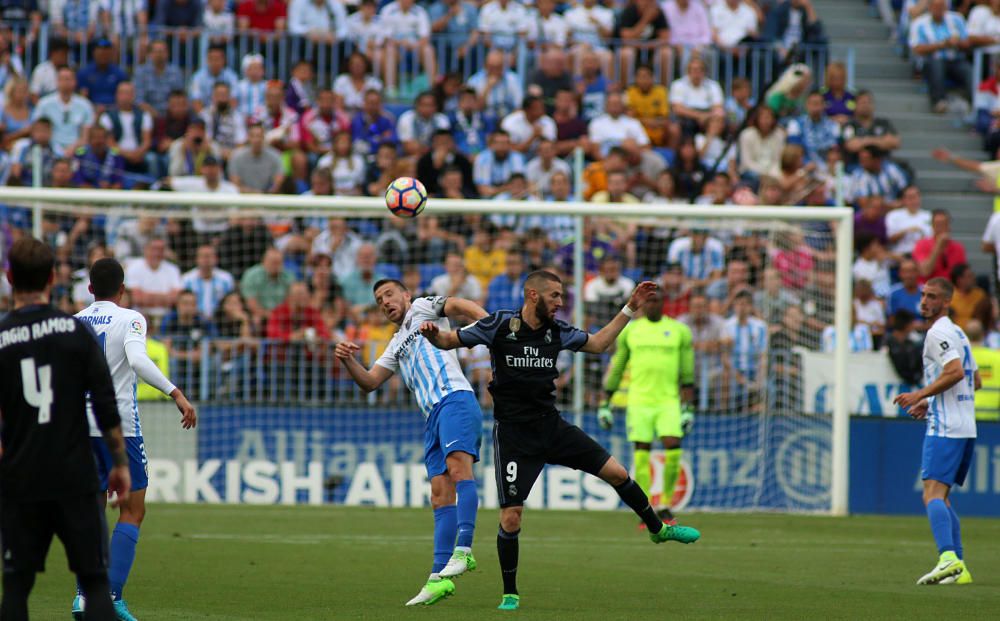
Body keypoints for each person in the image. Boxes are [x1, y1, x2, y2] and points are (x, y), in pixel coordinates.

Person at [420, 272, 700, 611]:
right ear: (533, 295)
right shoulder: (499, 325)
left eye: (561, 296)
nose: (560, 302)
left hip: (552, 427)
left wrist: (630, 308)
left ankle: (658, 528)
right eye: (555, 296)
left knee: (617, 472)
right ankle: (510, 593)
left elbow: (598, 344)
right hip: (513, 436)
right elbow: (451, 341)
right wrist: (435, 336)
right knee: (511, 517)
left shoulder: (558, 330)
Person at [334, 280, 489, 606]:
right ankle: (437, 579)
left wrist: (488, 325)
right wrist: (348, 361)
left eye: (389, 294)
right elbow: (370, 382)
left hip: (454, 400)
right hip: (432, 416)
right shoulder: (394, 343)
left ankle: (465, 550)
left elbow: (458, 305)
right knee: (439, 494)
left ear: (405, 294)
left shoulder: (421, 307)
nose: (385, 302)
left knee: (459, 471)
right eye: (379, 300)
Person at [0, 238, 127, 621]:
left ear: (9, 277)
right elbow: (105, 403)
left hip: (22, 478)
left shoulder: (2, 339)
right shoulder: (75, 332)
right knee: (95, 584)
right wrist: (118, 462)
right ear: (53, 279)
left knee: (17, 587)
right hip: (75, 474)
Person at [71, 257, 197, 621]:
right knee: (132, 510)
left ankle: (83, 596)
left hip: (79, 427)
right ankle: (109, 595)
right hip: (118, 427)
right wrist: (176, 393)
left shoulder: (74, 322)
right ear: (123, 289)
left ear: (90, 288)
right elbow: (138, 361)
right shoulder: (131, 319)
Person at [894, 277, 980, 586]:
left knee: (931, 493)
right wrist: (932, 402)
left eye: (932, 296)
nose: (924, 301)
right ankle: (959, 566)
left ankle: (947, 558)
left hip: (947, 426)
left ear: (945, 302)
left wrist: (920, 396)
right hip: (964, 423)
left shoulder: (938, 332)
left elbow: (955, 372)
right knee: (941, 497)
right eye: (923, 295)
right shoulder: (959, 333)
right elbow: (975, 380)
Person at [599, 288, 694, 520]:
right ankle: (647, 506)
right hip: (639, 401)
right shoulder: (631, 331)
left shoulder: (679, 331)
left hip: (668, 401)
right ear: (643, 305)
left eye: (656, 301)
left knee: (673, 446)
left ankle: (666, 504)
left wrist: (688, 407)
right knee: (642, 451)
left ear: (663, 303)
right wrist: (606, 402)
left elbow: (688, 371)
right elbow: (619, 366)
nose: (652, 305)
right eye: (648, 301)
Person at [966, 320, 1000, 421]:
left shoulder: (960, 358)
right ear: (983, 335)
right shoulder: (997, 357)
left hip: (965, 416)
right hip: (992, 417)